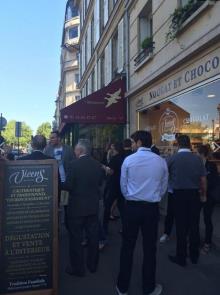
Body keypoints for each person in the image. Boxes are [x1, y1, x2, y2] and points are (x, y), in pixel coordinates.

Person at [116, 131, 168, 295]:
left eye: (133, 142)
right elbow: (164, 186)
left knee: (127, 247)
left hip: (132, 207)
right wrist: (155, 197)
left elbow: (123, 186)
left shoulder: (129, 160)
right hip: (151, 209)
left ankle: (122, 287)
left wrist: (130, 198)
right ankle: (148, 287)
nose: (131, 144)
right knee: (149, 248)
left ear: (139, 142)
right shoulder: (160, 161)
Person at [64, 139, 103, 277]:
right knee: (93, 237)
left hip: (76, 208)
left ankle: (77, 268)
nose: (74, 152)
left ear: (80, 150)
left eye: (75, 149)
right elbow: (99, 183)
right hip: (92, 207)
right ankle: (92, 265)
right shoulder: (98, 165)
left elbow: (69, 186)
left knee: (75, 239)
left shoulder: (73, 165)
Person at [168, 135, 207, 267]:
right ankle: (194, 255)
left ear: (178, 144)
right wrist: (203, 194)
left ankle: (181, 257)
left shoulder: (172, 158)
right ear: (189, 144)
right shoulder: (197, 159)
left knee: (181, 226)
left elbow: (164, 175)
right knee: (194, 225)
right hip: (194, 195)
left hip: (178, 196)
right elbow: (203, 179)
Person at [44, 131, 74, 227]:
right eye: (50, 138)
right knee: (54, 206)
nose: (51, 140)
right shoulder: (47, 150)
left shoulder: (68, 149)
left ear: (59, 138)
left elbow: (73, 164)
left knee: (67, 206)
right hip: (53, 183)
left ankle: (68, 225)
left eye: (53, 137)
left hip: (65, 182)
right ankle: (55, 228)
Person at [198, 145, 219, 254]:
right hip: (198, 195)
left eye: (197, 153)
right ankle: (196, 240)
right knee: (195, 218)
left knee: (207, 219)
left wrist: (203, 191)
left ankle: (207, 243)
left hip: (209, 196)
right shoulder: (197, 164)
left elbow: (212, 182)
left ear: (201, 154)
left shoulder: (211, 165)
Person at [103, 142, 124, 235]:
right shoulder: (123, 157)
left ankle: (104, 228)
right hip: (121, 185)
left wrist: (103, 167)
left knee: (107, 206)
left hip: (113, 185)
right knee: (121, 206)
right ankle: (125, 226)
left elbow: (111, 172)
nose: (110, 150)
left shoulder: (114, 159)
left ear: (115, 149)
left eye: (112, 148)